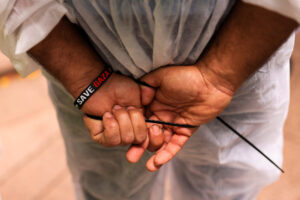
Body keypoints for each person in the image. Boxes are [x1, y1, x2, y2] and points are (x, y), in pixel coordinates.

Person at [1, 0, 299, 199]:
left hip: (242, 67)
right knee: (110, 189)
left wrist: (220, 75)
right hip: (87, 66)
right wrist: (86, 79)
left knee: (224, 187)